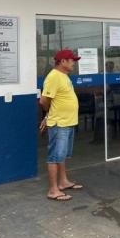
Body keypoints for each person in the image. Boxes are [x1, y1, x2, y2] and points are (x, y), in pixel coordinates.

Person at [39, 49, 83, 202]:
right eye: (72, 60)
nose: (74, 63)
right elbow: (44, 101)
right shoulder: (53, 77)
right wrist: (49, 115)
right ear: (63, 61)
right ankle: (53, 190)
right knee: (55, 156)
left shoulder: (64, 76)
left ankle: (63, 182)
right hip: (59, 123)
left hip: (67, 121)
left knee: (62, 155)